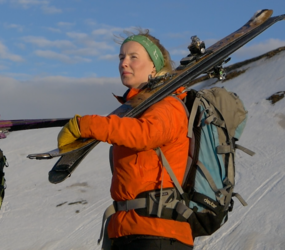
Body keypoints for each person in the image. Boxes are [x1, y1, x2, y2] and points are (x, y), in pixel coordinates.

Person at [57, 31, 193, 249]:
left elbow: (144, 134)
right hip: (129, 230)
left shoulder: (169, 104)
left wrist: (86, 125)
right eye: (121, 57)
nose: (124, 63)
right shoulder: (137, 112)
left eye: (133, 57)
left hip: (158, 234)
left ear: (154, 66)